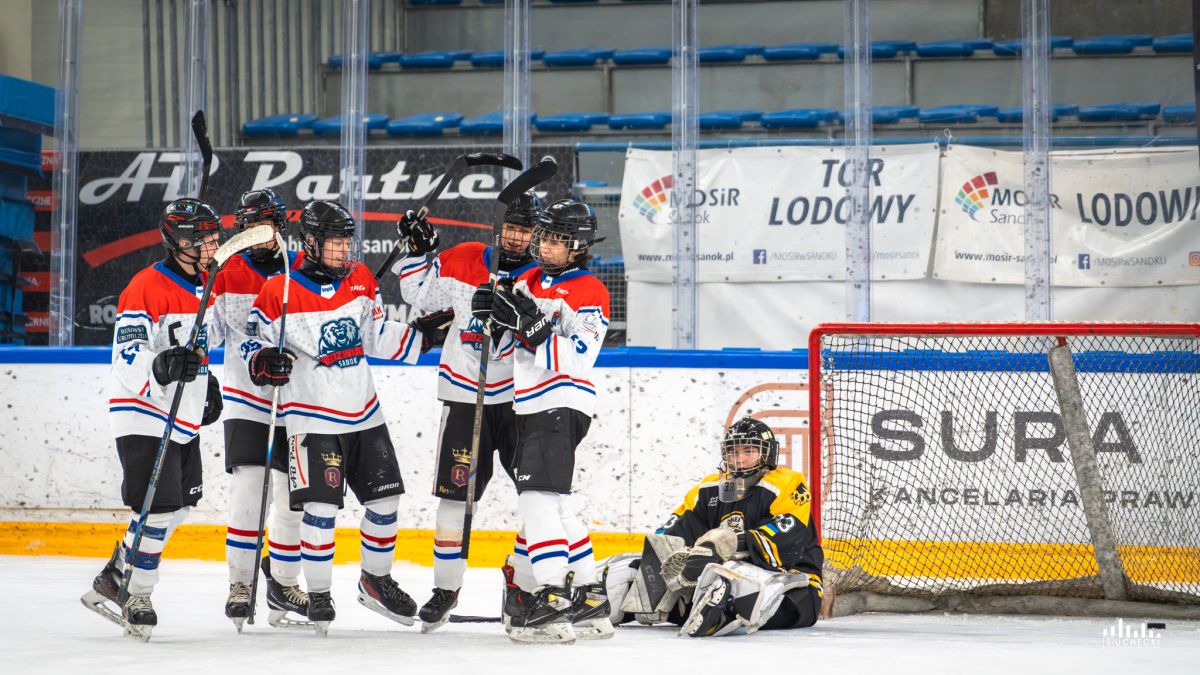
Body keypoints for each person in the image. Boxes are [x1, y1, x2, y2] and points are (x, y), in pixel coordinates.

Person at [241, 200, 448, 636]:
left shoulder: (360, 280)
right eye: (334, 242)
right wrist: (262, 361)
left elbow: (376, 335)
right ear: (310, 243)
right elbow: (251, 345)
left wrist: (422, 337)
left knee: (385, 503)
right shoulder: (278, 290)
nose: (343, 250)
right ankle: (318, 595)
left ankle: (375, 580)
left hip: (365, 415)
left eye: (346, 241)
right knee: (319, 510)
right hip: (312, 422)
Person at [391, 193, 540, 632]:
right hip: (463, 395)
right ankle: (446, 589)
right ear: (498, 227)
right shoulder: (463, 259)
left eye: (525, 230)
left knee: (539, 498)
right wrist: (418, 252)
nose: (516, 237)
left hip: (520, 401)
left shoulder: (541, 277)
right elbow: (419, 297)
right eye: (511, 227)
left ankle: (522, 583)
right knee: (454, 499)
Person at [82, 198, 225, 641]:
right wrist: (159, 367)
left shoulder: (206, 285)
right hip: (141, 410)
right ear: (181, 243)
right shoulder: (146, 286)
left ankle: (115, 573)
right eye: (204, 241)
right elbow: (127, 353)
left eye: (214, 239)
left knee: (179, 506)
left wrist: (208, 382)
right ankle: (136, 594)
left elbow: (197, 346)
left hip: (180, 412)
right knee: (158, 507)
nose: (212, 247)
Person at [473, 199, 612, 644]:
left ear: (579, 246)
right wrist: (490, 317)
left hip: (563, 403)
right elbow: (504, 348)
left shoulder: (590, 290)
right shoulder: (526, 281)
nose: (546, 245)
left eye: (557, 239)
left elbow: (580, 358)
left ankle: (551, 598)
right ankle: (589, 596)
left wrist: (534, 329)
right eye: (544, 236)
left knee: (535, 500)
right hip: (528, 405)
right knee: (555, 504)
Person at [602, 418, 824, 638]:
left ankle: (722, 610)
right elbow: (672, 534)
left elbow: (785, 542)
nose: (740, 460)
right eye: (733, 452)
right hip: (721, 581)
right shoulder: (710, 488)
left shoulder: (785, 483)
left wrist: (728, 545)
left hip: (793, 586)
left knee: (731, 574)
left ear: (767, 454)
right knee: (628, 570)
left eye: (749, 451)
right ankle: (618, 608)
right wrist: (653, 568)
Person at [210, 188, 308, 630]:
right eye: (251, 225)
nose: (259, 233)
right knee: (249, 495)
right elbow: (208, 334)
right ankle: (240, 584)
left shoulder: (301, 268)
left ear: (280, 225)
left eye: (266, 224)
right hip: (247, 401)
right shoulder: (226, 273)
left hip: (298, 404)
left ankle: (283, 583)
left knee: (291, 501)